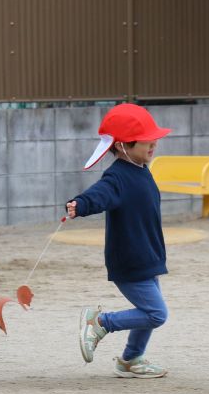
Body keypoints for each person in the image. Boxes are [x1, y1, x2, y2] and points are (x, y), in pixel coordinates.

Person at [65, 103, 172, 379]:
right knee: (156, 314)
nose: (153, 144)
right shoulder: (117, 177)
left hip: (148, 256)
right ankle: (101, 322)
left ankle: (131, 360)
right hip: (129, 259)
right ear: (123, 145)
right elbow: (100, 194)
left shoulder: (141, 169)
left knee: (147, 311)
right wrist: (81, 204)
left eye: (154, 138)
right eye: (146, 140)